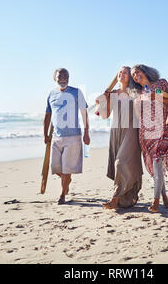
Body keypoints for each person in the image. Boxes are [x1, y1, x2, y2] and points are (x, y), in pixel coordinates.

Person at [131, 64, 168, 213]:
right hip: (147, 132)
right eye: (133, 75)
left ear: (145, 71)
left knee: (157, 162)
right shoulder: (139, 94)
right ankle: (164, 197)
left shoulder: (161, 83)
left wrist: (157, 98)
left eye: (137, 72)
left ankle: (156, 201)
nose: (136, 75)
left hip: (163, 127)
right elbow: (139, 116)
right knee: (156, 165)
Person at [96, 66, 144, 209]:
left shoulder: (135, 92)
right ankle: (123, 198)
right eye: (120, 72)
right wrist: (103, 101)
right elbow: (105, 115)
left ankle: (115, 199)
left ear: (130, 77)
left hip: (131, 131)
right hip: (116, 131)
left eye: (125, 73)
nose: (122, 74)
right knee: (119, 166)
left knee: (121, 163)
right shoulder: (112, 94)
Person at [44, 68, 90, 205]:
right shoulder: (51, 94)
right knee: (56, 168)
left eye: (66, 76)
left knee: (67, 168)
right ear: (55, 78)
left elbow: (84, 114)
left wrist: (86, 132)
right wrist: (45, 134)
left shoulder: (76, 92)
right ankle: (67, 181)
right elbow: (47, 115)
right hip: (56, 136)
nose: (63, 78)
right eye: (60, 76)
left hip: (73, 136)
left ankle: (62, 194)